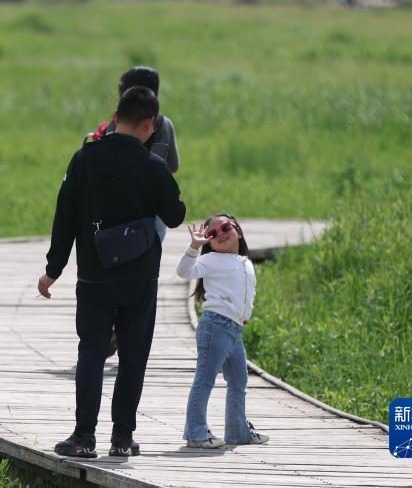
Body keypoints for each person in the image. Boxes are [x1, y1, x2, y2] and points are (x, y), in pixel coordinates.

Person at [40, 86, 186, 458]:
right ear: (151, 123)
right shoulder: (152, 166)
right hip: (140, 278)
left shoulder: (84, 159)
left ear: (116, 116)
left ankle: (82, 437)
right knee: (133, 357)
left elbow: (64, 216)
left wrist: (53, 269)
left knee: (91, 352)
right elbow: (175, 215)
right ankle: (122, 438)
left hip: (94, 276)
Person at [176, 214, 270, 448]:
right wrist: (194, 247)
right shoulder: (211, 260)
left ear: (238, 230)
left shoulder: (245, 261)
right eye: (212, 234)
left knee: (239, 381)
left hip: (235, 330)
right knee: (204, 379)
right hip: (215, 326)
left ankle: (238, 432)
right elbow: (184, 271)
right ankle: (195, 433)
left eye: (226, 227)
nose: (220, 234)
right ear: (209, 242)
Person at [85, 65, 180, 243]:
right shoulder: (162, 124)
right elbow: (169, 165)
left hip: (113, 208)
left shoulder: (115, 123)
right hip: (151, 212)